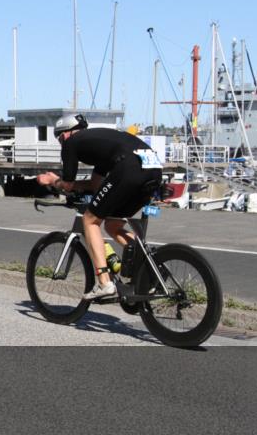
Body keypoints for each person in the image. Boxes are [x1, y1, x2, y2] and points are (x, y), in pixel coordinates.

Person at [37, 114, 163, 300]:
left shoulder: (72, 143)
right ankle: (151, 269)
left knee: (90, 220)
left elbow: (68, 185)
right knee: (112, 225)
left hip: (129, 169)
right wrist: (73, 185)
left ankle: (104, 283)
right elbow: (96, 185)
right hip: (153, 170)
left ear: (64, 134)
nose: (60, 143)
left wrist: (52, 180)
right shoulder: (99, 142)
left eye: (59, 139)